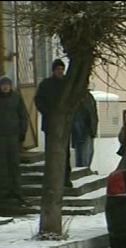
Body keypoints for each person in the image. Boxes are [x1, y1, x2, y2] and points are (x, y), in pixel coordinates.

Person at [35, 59, 73, 187]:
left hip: (64, 124)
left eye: (62, 69)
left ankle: (66, 178)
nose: (60, 72)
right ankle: (51, 179)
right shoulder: (46, 84)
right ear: (53, 70)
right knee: (51, 152)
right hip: (50, 124)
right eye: (58, 69)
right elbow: (38, 100)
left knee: (65, 152)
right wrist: (48, 113)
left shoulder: (67, 85)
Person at [0, 76, 29, 206]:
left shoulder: (16, 98)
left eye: (7, 84)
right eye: (3, 85)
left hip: (13, 135)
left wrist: (22, 132)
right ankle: (4, 191)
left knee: (15, 164)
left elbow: (23, 115)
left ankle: (17, 191)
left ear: (11, 86)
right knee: (3, 165)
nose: (5, 87)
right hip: (1, 136)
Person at [71, 91, 98, 168]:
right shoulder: (79, 97)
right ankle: (84, 169)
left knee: (88, 153)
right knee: (84, 154)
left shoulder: (88, 96)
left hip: (88, 130)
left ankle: (85, 168)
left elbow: (93, 114)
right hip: (83, 130)